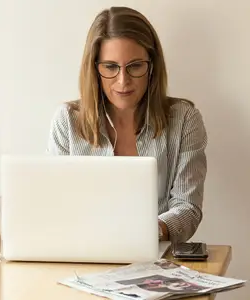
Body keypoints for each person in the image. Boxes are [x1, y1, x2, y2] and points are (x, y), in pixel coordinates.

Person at [47, 6, 207, 243]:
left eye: (135, 66)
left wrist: (147, 231)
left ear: (151, 66)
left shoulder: (184, 119)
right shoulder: (67, 121)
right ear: (95, 69)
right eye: (111, 67)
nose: (123, 81)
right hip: (82, 254)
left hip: (155, 258)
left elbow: (187, 208)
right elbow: (55, 206)